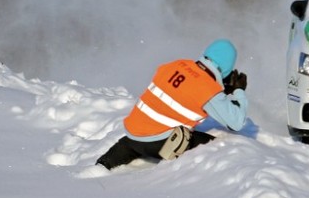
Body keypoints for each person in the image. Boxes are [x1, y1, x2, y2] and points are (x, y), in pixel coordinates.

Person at [95, 39, 248, 169]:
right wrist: (238, 90)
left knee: (103, 166)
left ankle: (98, 169)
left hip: (132, 136)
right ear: (227, 68)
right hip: (160, 143)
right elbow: (235, 122)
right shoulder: (207, 88)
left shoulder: (176, 64)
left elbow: (183, 90)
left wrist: (218, 88)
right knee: (220, 148)